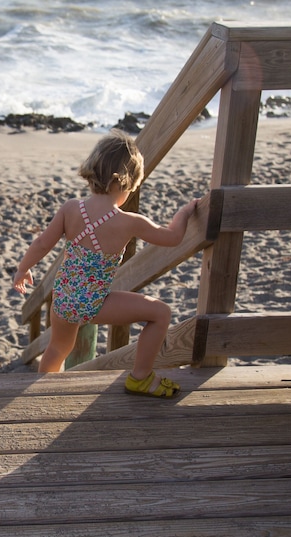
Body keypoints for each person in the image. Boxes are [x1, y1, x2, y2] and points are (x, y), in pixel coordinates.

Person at [12, 129, 198, 397]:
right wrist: (184, 213)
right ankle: (141, 377)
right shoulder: (130, 221)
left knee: (57, 349)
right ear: (127, 182)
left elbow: (42, 243)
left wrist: (23, 268)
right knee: (160, 314)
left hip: (63, 297)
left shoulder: (71, 208)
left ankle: (42, 391)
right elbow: (172, 238)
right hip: (95, 304)